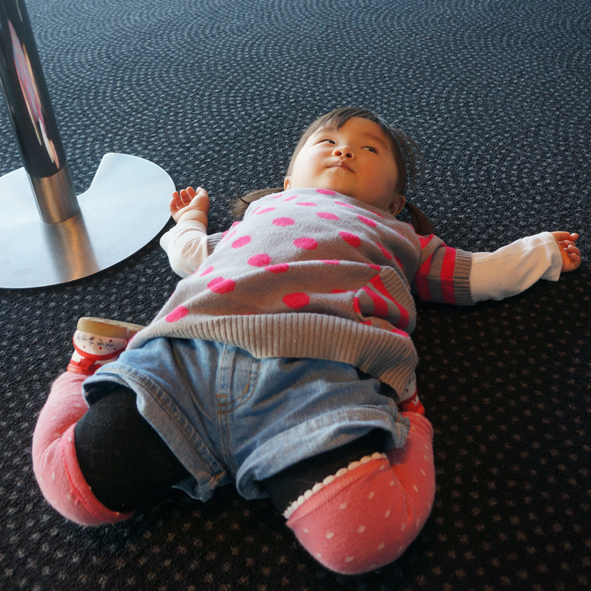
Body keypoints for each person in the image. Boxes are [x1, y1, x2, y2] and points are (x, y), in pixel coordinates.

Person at [32, 107, 581, 575]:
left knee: (363, 544)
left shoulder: (403, 238)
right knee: (73, 492)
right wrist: (192, 218)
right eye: (327, 142)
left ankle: (410, 422)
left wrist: (537, 253)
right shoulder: (259, 216)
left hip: (318, 374)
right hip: (188, 351)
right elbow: (189, 256)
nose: (344, 151)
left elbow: (474, 274)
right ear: (289, 183)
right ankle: (85, 370)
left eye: (369, 148)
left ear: (394, 203)